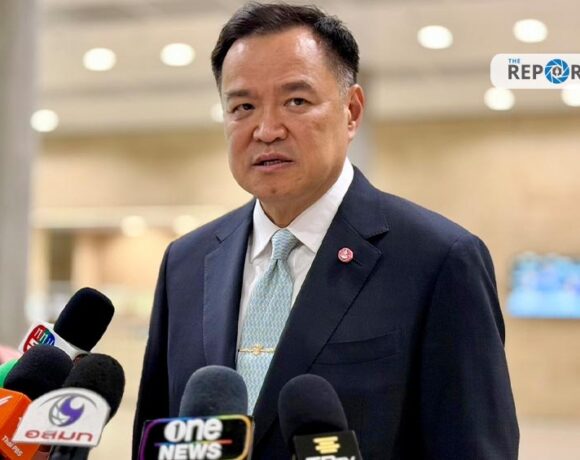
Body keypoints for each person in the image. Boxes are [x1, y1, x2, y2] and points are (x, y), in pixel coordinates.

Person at [133, 3, 519, 458]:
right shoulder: (186, 262)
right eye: (243, 107)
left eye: (296, 101)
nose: (266, 130)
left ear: (351, 111)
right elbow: (155, 434)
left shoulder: (439, 260)